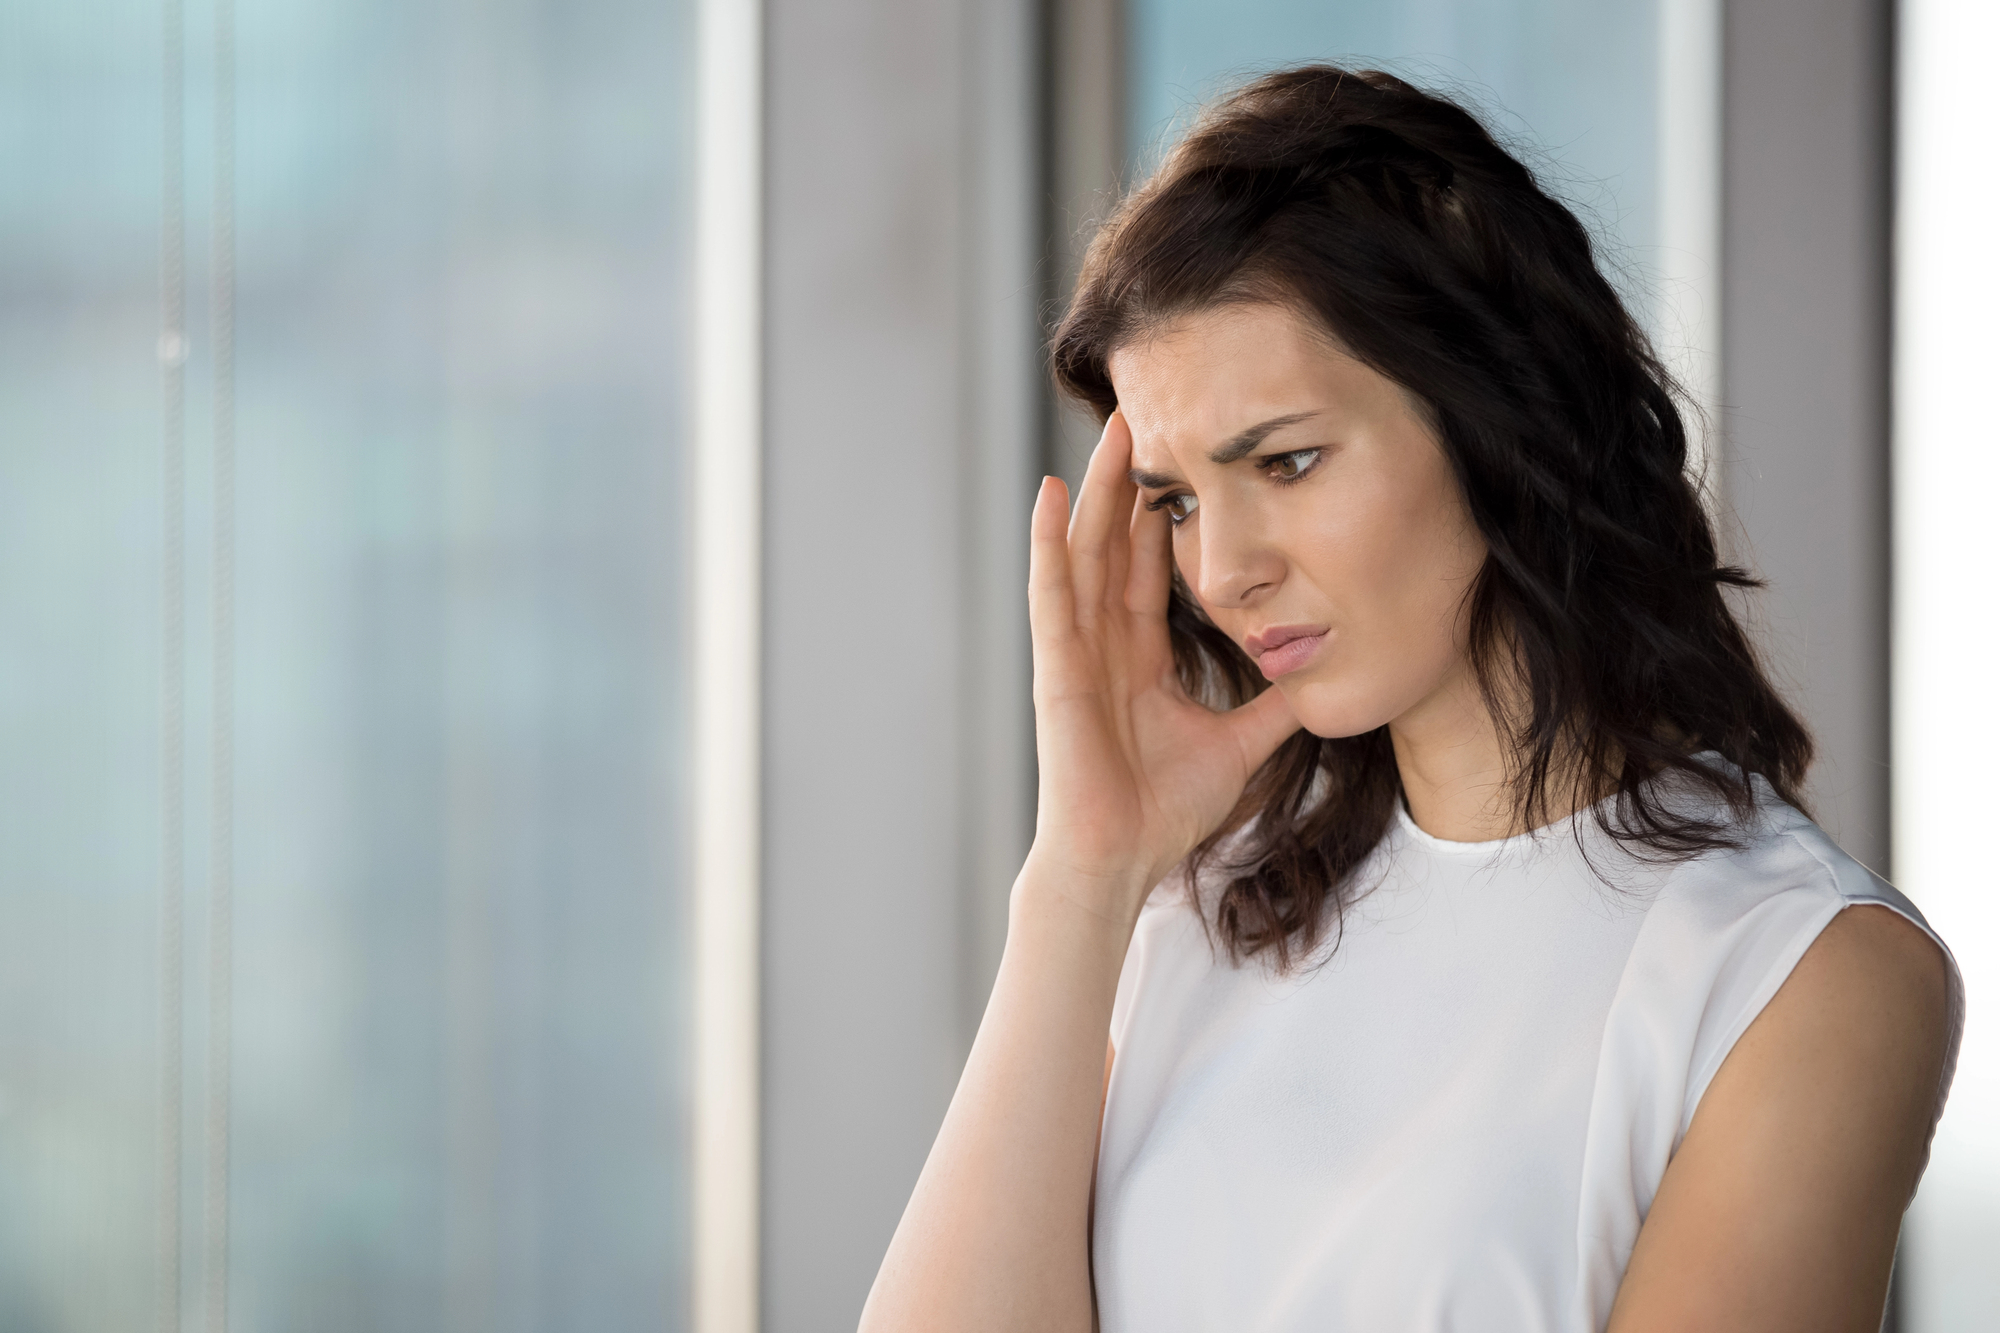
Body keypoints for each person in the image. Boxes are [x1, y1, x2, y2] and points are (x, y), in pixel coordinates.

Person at [858, 67, 1961, 1333]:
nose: (1220, 571)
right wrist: (1079, 878)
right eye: (1173, 500)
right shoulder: (1199, 910)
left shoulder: (1794, 971)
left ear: (1493, 423)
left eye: (1284, 461)